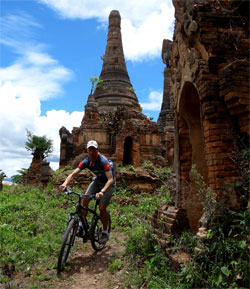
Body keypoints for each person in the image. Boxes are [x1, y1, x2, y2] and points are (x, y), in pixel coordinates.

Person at [60, 140, 115, 244]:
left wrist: (102, 191)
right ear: (87, 151)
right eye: (90, 150)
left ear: (97, 150)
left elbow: (110, 179)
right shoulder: (86, 161)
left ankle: (104, 232)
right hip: (97, 181)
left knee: (102, 208)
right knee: (85, 199)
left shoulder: (103, 161)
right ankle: (81, 225)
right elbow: (73, 174)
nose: (91, 152)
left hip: (108, 184)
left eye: (93, 150)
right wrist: (65, 184)